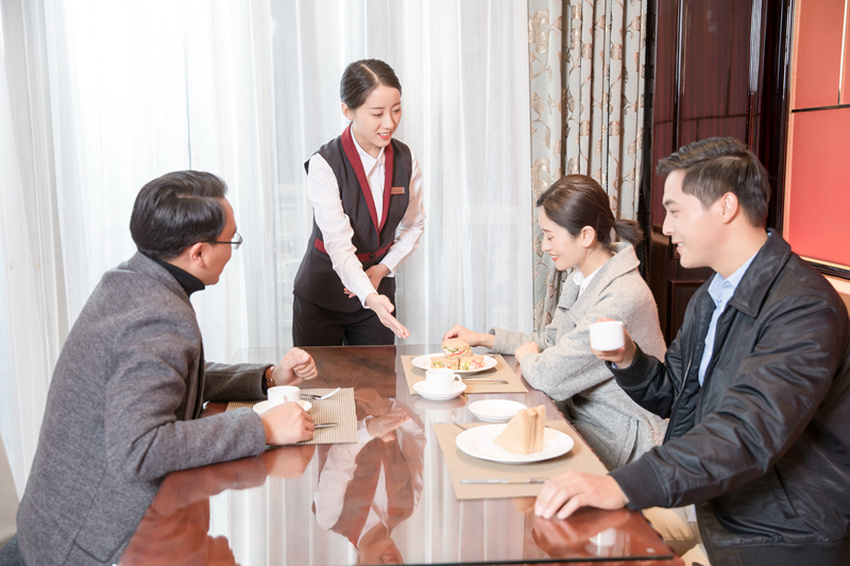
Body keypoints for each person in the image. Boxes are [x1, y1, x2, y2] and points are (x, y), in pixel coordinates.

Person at [534, 138, 850, 565]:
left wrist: (622, 485)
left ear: (725, 207)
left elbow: (748, 432)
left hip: (778, 534)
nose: (665, 227)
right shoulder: (712, 296)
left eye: (675, 210)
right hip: (717, 506)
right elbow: (673, 394)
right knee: (561, 527)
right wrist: (628, 359)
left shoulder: (804, 306)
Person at [8, 171, 317, 565]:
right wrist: (263, 426)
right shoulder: (156, 318)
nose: (232, 251)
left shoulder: (130, 281)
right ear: (199, 253)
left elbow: (172, 378)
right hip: (85, 547)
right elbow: (139, 449)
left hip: (53, 524)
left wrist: (267, 378)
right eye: (231, 241)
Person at [443, 175, 667, 470]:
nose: (544, 245)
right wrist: (485, 339)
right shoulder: (583, 277)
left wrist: (530, 358)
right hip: (583, 413)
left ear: (585, 235)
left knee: (499, 452)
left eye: (550, 235)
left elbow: (550, 375)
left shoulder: (620, 296)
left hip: (622, 433)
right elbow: (553, 341)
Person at [293, 58, 425, 346]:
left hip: (378, 293)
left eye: (396, 110)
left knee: (377, 389)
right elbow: (338, 244)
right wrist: (368, 294)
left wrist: (381, 270)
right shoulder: (324, 164)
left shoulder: (405, 159)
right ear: (347, 111)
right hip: (323, 295)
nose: (389, 123)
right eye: (377, 113)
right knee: (317, 389)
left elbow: (414, 226)